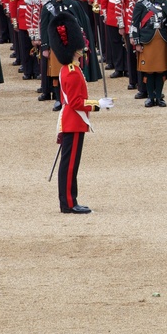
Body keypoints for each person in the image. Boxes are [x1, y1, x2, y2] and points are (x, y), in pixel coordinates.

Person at [48, 11, 113, 214]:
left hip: (72, 121)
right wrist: (98, 105)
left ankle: (70, 200)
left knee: (71, 165)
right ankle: (68, 203)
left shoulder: (69, 69)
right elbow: (77, 102)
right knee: (69, 166)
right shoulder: (72, 72)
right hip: (74, 122)